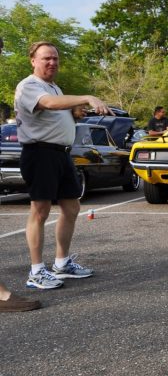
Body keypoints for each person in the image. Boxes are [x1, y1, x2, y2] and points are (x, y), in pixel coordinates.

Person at [14, 41, 107, 289]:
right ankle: (36, 272)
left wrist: (74, 112)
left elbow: (57, 107)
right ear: (33, 60)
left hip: (61, 155)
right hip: (40, 153)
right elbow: (48, 104)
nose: (52, 62)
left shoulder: (55, 87)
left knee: (72, 208)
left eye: (55, 58)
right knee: (40, 211)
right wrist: (87, 97)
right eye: (46, 58)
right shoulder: (29, 85)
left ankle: (62, 263)